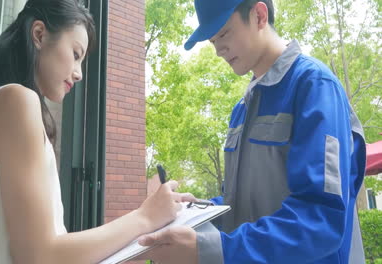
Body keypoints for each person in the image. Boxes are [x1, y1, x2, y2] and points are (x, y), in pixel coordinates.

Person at [0, 0, 195, 263]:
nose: (78, 74)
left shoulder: (0, 105)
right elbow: (40, 256)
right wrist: (145, 217)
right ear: (39, 35)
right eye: (76, 54)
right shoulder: (16, 101)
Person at [136, 0, 367, 263]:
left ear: (259, 15)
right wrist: (195, 212)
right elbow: (246, 205)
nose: (218, 50)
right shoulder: (241, 110)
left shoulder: (315, 88)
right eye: (212, 41)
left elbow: (322, 219)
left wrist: (212, 250)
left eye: (223, 34)